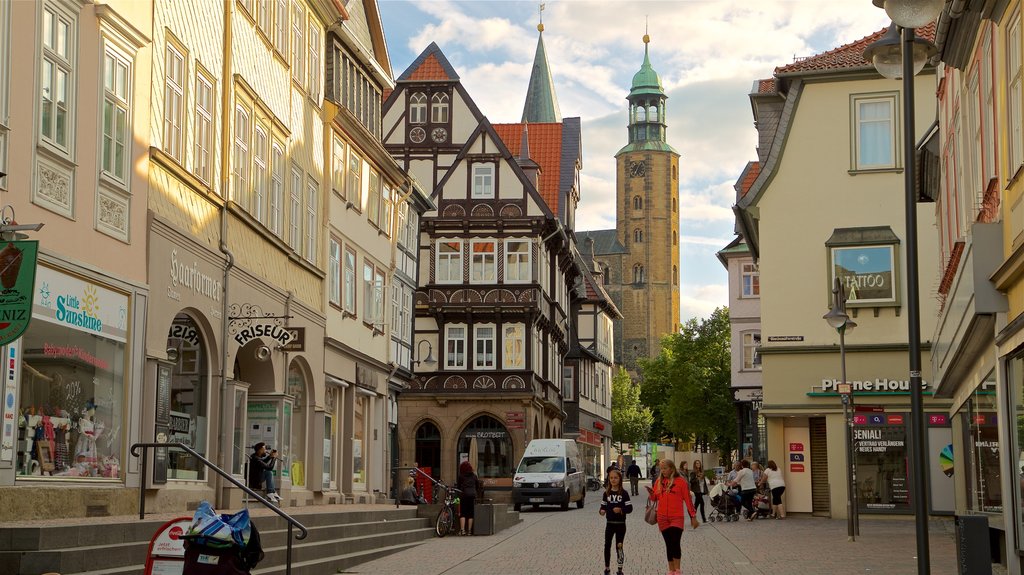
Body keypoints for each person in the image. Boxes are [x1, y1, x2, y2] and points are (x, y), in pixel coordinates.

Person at [646, 459, 699, 575]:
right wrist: (651, 493)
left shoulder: (681, 482)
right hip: (662, 517)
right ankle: (671, 570)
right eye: (661, 469)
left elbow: (688, 499)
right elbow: (655, 498)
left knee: (675, 542)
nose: (663, 471)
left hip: (676, 517)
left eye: (665, 468)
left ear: (672, 468)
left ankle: (678, 570)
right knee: (668, 544)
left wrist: (693, 516)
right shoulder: (659, 482)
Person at [599, 467, 633, 575]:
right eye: (611, 478)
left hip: (620, 524)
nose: (613, 480)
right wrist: (602, 511)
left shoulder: (624, 493)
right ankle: (607, 567)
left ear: (620, 479)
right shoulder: (606, 494)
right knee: (607, 545)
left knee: (619, 546)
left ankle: (619, 569)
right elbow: (602, 507)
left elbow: (630, 508)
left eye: (615, 478)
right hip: (609, 524)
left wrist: (621, 510)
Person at [457, 461, 481, 535]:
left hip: (464, 495)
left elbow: (458, 486)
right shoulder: (474, 476)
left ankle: (462, 530)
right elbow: (477, 485)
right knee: (471, 513)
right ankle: (469, 531)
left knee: (463, 513)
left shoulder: (461, 476)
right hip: (472, 495)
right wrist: (474, 491)